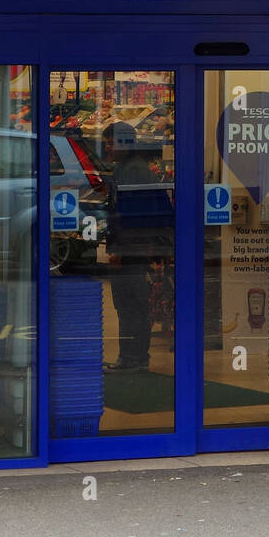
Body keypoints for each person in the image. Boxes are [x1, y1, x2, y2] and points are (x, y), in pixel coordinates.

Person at [102, 121, 168, 373]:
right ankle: (133, 357)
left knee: (130, 304)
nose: (107, 147)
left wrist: (119, 250)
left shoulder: (132, 171)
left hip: (131, 248)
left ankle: (133, 359)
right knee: (131, 305)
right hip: (134, 247)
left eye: (111, 142)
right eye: (106, 142)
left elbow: (129, 215)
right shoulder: (129, 168)